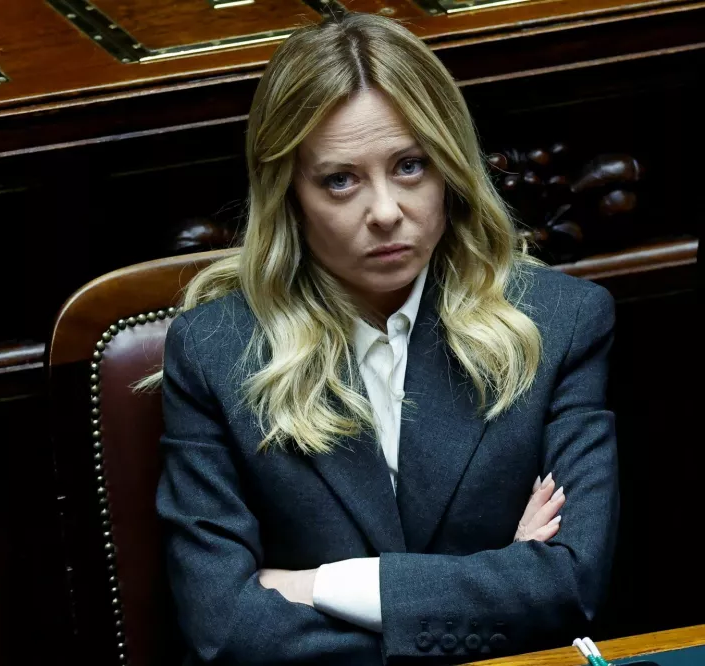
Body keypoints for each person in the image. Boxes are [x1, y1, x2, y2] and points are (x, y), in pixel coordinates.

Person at [154, 11, 618, 666]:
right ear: (289, 193)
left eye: (409, 166)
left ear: (450, 168)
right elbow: (225, 628)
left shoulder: (559, 323)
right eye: (340, 180)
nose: (384, 211)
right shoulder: (215, 350)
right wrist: (495, 589)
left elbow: (570, 587)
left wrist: (319, 585)